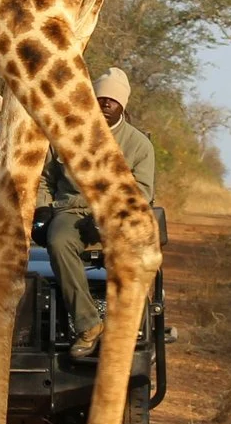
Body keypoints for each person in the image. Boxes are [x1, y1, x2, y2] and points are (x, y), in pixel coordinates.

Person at [41, 68, 157, 359]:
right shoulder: (66, 135)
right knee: (58, 242)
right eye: (100, 97)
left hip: (116, 213)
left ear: (123, 105)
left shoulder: (138, 144)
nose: (105, 103)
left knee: (133, 253)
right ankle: (88, 324)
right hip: (71, 209)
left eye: (112, 100)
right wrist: (43, 206)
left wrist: (110, 211)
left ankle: (133, 328)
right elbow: (45, 178)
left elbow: (143, 191)